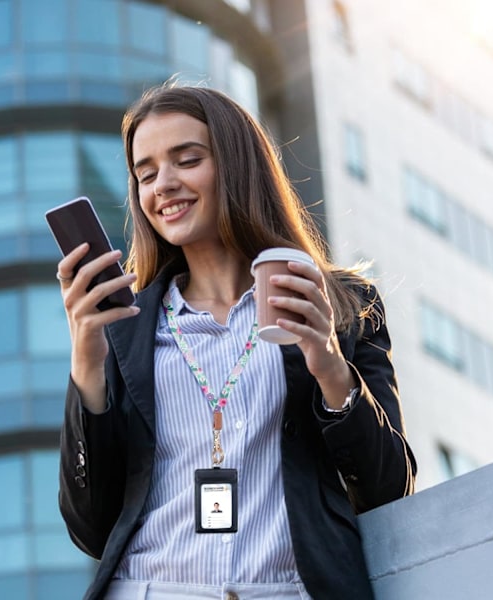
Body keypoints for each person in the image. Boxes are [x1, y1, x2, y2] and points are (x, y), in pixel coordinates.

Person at [56, 84, 417, 600]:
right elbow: (89, 527)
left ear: (236, 164)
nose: (165, 185)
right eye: (146, 173)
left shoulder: (340, 303)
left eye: (187, 160)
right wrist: (87, 366)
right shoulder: (124, 326)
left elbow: (388, 488)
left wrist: (330, 366)